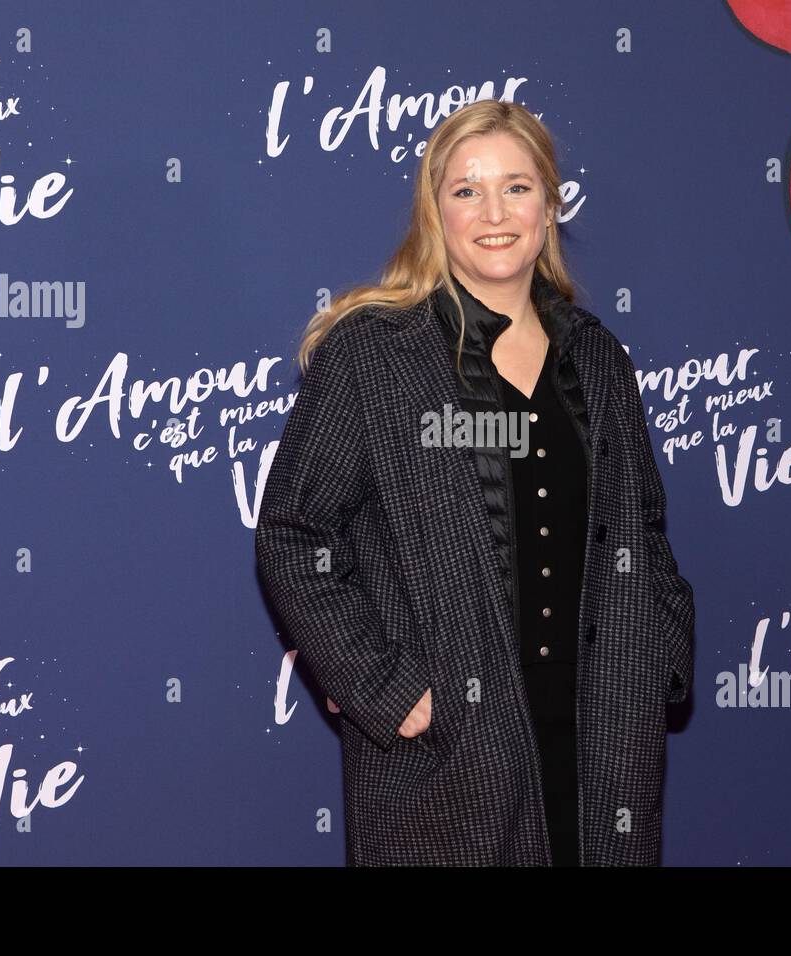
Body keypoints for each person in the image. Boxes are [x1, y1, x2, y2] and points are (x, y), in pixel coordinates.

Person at [255, 100, 694, 866]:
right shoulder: (374, 355)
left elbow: (643, 529)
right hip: (451, 760)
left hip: (600, 751)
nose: (494, 213)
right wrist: (380, 686)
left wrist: (658, 652)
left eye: (517, 187)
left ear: (549, 205)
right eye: (467, 190)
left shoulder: (597, 359)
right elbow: (296, 535)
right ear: (436, 211)